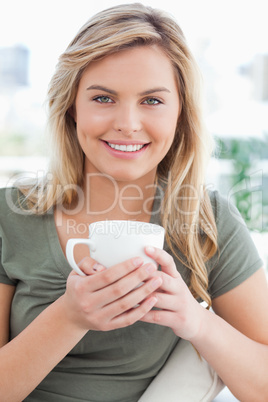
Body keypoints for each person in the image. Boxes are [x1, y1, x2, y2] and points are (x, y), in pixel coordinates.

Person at [0, 3, 267, 401]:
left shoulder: (207, 220)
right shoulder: (11, 215)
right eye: (104, 98)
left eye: (152, 101)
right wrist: (70, 317)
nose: (127, 122)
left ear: (181, 113)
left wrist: (195, 321)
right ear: (72, 107)